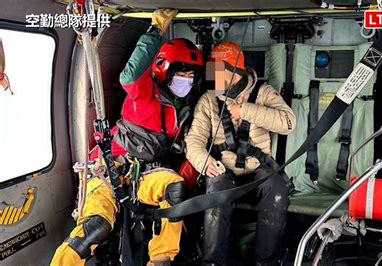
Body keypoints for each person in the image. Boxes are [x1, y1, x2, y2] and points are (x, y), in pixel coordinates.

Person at [51, 9, 204, 266]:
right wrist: (155, 31)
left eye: (191, 76)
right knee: (95, 227)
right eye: (181, 74)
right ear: (164, 69)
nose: (186, 81)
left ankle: (161, 260)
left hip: (144, 177)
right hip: (109, 172)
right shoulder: (144, 92)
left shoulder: (181, 111)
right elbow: (130, 75)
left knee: (175, 186)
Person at [185, 42, 297, 265]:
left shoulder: (263, 93)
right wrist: (206, 163)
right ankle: (213, 262)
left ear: (235, 71)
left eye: (218, 69)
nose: (213, 75)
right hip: (224, 170)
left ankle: (266, 262)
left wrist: (246, 110)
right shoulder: (209, 100)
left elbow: (288, 122)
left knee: (276, 190)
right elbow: (193, 141)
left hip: (258, 170)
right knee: (216, 189)